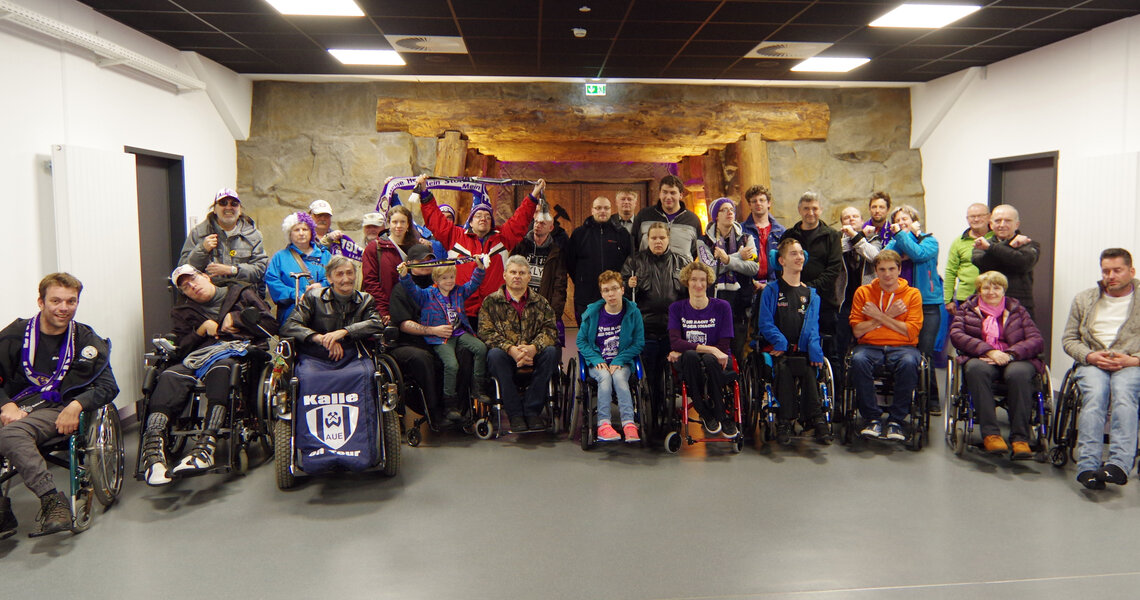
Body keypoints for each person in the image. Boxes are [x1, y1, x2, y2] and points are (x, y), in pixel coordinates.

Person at [0, 273, 118, 538]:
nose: (64, 308)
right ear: (41, 302)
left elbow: (108, 386)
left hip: (57, 409)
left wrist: (76, 405)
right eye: (56, 301)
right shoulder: (16, 334)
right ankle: (2, 512)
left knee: (10, 434)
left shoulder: (85, 339)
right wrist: (5, 405)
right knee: (9, 428)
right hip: (17, 405)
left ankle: (52, 500)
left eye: (71, 301)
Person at [138, 265, 277, 486]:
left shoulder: (241, 293)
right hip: (197, 356)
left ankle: (207, 445)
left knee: (222, 369)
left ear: (205, 276)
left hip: (236, 353)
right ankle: (154, 450)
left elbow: (270, 324)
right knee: (169, 375)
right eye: (185, 286)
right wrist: (200, 330)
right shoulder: (182, 311)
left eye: (193, 279)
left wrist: (237, 319)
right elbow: (181, 348)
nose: (192, 286)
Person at [421, 175, 545, 332]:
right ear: (470, 222)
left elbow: (520, 219)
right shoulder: (455, 236)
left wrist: (534, 195)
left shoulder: (502, 238)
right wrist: (425, 194)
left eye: (487, 217)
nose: (483, 219)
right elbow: (436, 220)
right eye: (478, 216)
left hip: (494, 308)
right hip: (462, 308)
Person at [1062, 248, 1140, 490]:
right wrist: (1089, 355)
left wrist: (1134, 360)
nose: (1111, 276)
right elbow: (1069, 339)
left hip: (1130, 362)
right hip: (1093, 362)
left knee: (1124, 395)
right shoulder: (1084, 299)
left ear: (1131, 271)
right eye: (1106, 271)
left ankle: (1118, 465)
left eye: (1117, 270)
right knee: (1095, 397)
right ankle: (1087, 467)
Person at [949, 271, 1043, 460]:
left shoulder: (1018, 310)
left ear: (1003, 290)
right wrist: (989, 351)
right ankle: (991, 435)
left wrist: (1010, 354)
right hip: (981, 358)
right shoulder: (967, 309)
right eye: (986, 288)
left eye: (996, 287)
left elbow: (1036, 339)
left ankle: (1020, 438)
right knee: (976, 370)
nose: (991, 292)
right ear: (979, 290)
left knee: (1018, 374)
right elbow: (957, 335)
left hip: (1014, 359)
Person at [389, 245, 473, 426]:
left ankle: (459, 409)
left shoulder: (442, 283)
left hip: (443, 339)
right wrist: (432, 330)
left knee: (466, 351)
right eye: (421, 260)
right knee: (423, 358)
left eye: (430, 260)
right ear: (410, 263)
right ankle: (434, 413)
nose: (426, 263)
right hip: (410, 342)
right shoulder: (401, 288)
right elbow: (403, 324)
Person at [756, 240, 829, 445]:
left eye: (801, 254)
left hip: (803, 351)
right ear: (781, 261)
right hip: (778, 351)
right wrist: (780, 341)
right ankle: (785, 421)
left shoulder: (812, 295)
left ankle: (816, 418)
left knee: (809, 369)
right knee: (784, 368)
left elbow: (813, 326)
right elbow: (765, 323)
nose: (799, 257)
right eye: (793, 254)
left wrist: (814, 347)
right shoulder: (771, 290)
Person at [848, 250, 924, 443]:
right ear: (876, 271)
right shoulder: (863, 292)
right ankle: (872, 418)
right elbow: (857, 331)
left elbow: (911, 332)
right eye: (882, 269)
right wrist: (890, 315)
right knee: (858, 360)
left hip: (904, 347)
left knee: (909, 363)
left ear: (899, 269)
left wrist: (878, 316)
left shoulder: (913, 294)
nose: (887, 274)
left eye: (891, 269)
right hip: (869, 346)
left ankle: (896, 420)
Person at [478, 255, 560, 433]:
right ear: (505, 275)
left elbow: (551, 330)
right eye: (513, 272)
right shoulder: (490, 302)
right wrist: (511, 349)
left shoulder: (541, 303)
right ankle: (515, 413)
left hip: (533, 354)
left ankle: (532, 410)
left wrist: (533, 348)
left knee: (552, 352)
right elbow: (485, 332)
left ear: (529, 277)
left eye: (522, 273)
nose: (517, 276)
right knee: (494, 355)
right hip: (505, 356)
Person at [397, 255, 490, 410]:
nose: (449, 281)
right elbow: (411, 289)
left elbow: (474, 283)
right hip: (440, 338)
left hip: (459, 332)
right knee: (452, 365)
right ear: (436, 279)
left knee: (481, 348)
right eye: (444, 278)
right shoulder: (427, 295)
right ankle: (450, 403)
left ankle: (478, 388)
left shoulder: (459, 291)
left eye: (452, 277)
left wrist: (480, 268)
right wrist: (404, 275)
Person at [884, 205, 944, 414]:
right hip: (901, 304)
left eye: (905, 219)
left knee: (925, 352)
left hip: (927, 305)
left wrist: (906, 241)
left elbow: (918, 254)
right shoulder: (897, 240)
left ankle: (931, 398)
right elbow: (886, 257)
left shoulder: (929, 241)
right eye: (897, 220)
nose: (901, 223)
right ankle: (905, 397)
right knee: (903, 352)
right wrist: (901, 240)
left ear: (915, 221)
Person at [668, 260, 738, 438]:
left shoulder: (723, 307)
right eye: (693, 280)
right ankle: (704, 411)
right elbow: (675, 342)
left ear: (708, 283)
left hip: (718, 362)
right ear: (687, 282)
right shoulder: (676, 308)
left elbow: (723, 347)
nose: (698, 284)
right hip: (691, 362)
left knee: (706, 359)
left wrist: (705, 351)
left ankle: (720, 413)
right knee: (691, 356)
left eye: (702, 280)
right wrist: (711, 349)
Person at [622, 222, 687, 410]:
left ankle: (665, 408)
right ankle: (649, 409)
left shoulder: (681, 263)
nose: (658, 241)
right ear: (647, 240)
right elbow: (620, 295)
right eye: (654, 238)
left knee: (669, 373)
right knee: (649, 373)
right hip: (645, 329)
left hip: (671, 330)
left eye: (662, 237)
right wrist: (628, 285)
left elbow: (688, 297)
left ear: (668, 239)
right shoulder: (634, 262)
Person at [577, 271, 645, 443]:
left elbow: (638, 343)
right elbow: (581, 341)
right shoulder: (592, 313)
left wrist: (620, 360)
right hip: (598, 362)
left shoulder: (633, 312)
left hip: (621, 361)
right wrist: (596, 359)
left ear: (622, 289)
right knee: (605, 377)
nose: (611, 294)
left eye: (614, 289)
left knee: (620, 377)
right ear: (602, 294)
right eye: (606, 290)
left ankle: (629, 423)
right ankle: (603, 424)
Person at [281, 255, 383, 361]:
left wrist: (345, 332)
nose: (346, 279)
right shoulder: (313, 297)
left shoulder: (366, 299)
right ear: (329, 278)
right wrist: (321, 339)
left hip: (354, 355)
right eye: (339, 274)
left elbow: (376, 323)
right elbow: (290, 325)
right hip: (316, 355)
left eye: (350, 273)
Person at [697, 197, 758, 362]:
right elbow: (709, 269)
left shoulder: (746, 239)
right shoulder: (703, 241)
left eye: (731, 209)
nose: (729, 212)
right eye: (724, 210)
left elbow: (753, 267)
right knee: (716, 350)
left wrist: (727, 259)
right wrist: (738, 256)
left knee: (738, 349)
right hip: (715, 299)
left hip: (740, 301)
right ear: (716, 216)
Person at [782, 192, 843, 356]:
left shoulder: (832, 236)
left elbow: (834, 269)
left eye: (814, 208)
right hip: (793, 299)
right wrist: (796, 288)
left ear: (821, 210)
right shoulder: (789, 235)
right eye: (806, 208)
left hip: (824, 301)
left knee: (828, 351)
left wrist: (809, 288)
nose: (810, 212)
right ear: (799, 210)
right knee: (796, 348)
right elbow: (782, 264)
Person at [178, 188, 269, 296]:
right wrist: (202, 250)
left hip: (243, 297)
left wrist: (233, 270)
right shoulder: (198, 234)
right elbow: (183, 271)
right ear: (214, 209)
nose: (228, 207)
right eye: (223, 203)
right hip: (209, 299)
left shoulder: (253, 235)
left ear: (240, 209)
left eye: (234, 204)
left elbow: (260, 269)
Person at [566, 196, 632, 319]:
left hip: (614, 295)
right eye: (598, 208)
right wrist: (581, 280)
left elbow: (629, 262)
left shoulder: (622, 234)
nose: (602, 211)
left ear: (611, 210)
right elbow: (570, 263)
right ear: (592, 210)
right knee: (587, 328)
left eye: (606, 208)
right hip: (586, 295)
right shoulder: (579, 234)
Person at [972, 204, 1039, 319]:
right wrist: (1009, 247)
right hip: (987, 305)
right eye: (998, 221)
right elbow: (983, 263)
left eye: (1007, 221)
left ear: (1017, 224)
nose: (1002, 225)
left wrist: (991, 248)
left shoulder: (1028, 244)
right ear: (991, 224)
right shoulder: (981, 244)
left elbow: (1022, 263)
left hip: (1019, 307)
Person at [510, 208, 568, 338]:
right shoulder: (521, 246)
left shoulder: (556, 253)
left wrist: (553, 314)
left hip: (543, 306)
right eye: (536, 222)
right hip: (519, 304)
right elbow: (509, 275)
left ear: (551, 228)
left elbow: (560, 286)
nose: (537, 225)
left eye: (542, 223)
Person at [265, 212, 330, 324]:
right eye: (296, 230)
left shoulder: (325, 255)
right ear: (289, 234)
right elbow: (273, 281)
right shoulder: (279, 257)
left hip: (321, 314)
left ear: (311, 232)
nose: (301, 233)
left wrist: (321, 286)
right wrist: (295, 294)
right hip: (291, 314)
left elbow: (334, 279)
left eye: (305, 229)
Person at [362, 205, 422, 320]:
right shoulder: (375, 248)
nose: (398, 226)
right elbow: (371, 282)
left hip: (413, 309)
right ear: (389, 224)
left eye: (402, 222)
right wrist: (383, 310)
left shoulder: (416, 248)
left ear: (408, 225)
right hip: (387, 310)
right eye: (395, 222)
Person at [837, 206, 881, 359]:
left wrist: (857, 237)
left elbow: (875, 257)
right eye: (847, 217)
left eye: (855, 216)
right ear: (842, 223)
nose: (851, 219)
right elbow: (836, 251)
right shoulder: (836, 238)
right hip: (844, 301)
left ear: (862, 221)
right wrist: (858, 235)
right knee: (840, 344)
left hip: (867, 300)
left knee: (865, 343)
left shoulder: (873, 239)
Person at [631, 174, 702, 262]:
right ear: (660, 194)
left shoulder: (692, 220)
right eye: (665, 192)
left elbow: (695, 250)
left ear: (681, 195)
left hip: (682, 270)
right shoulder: (644, 216)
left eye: (672, 193)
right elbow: (634, 245)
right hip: (647, 269)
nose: (668, 197)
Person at [944, 203, 991, 316]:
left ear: (989, 217)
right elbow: (950, 271)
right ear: (967, 219)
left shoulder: (996, 238)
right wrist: (948, 300)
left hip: (993, 296)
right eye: (972, 216)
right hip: (965, 298)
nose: (976, 219)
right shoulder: (958, 242)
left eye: (980, 215)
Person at [739, 184, 785, 290]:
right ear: (749, 205)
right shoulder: (740, 230)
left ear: (769, 203)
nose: (758, 203)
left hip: (775, 286)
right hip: (748, 286)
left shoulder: (781, 231)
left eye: (762, 200)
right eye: (754, 201)